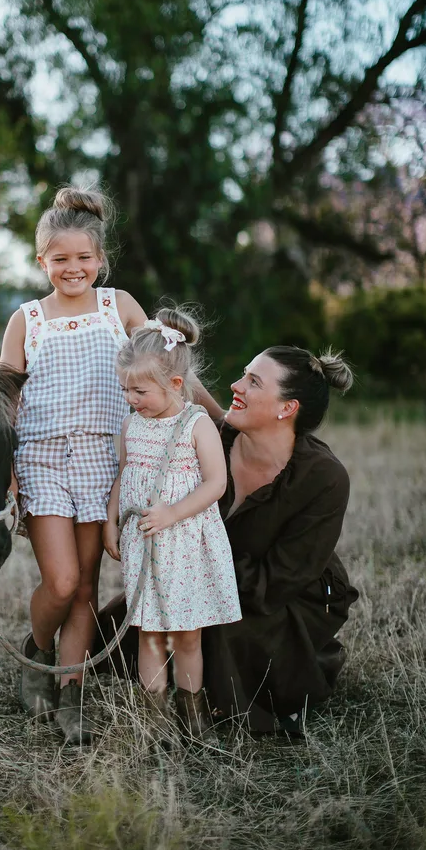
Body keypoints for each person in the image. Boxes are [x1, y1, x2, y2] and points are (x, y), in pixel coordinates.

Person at [96, 345, 359, 739]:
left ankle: (209, 709)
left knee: (209, 625)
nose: (236, 385)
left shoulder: (324, 479)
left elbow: (282, 579)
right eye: (243, 373)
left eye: (253, 382)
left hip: (282, 597)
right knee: (126, 619)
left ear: (287, 408)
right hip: (187, 568)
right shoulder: (210, 437)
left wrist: (202, 576)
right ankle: (152, 705)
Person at [0, 186, 146, 746]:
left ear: (101, 260)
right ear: (43, 263)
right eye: (60, 259)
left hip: (104, 459)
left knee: (85, 587)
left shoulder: (120, 307)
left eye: (84, 258)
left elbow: (166, 368)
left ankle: (71, 693)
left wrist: (212, 415)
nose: (74, 268)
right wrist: (6, 469)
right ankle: (37, 652)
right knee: (59, 582)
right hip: (39, 458)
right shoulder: (27, 319)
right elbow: (4, 400)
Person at [102, 309, 242, 738]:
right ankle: (155, 716)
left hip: (186, 543)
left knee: (186, 636)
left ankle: (194, 712)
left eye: (139, 390)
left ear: (175, 385)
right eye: (125, 389)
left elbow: (217, 483)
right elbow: (123, 475)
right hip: (145, 543)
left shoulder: (196, 424)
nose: (131, 398)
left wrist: (172, 514)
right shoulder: (131, 424)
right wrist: (111, 522)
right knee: (147, 634)